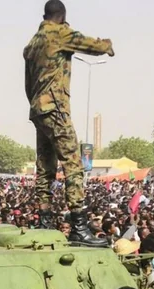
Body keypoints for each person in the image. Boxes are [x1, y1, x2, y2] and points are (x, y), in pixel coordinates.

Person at [23, 0, 113, 246]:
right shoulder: (60, 33)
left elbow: (27, 85)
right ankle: (79, 228)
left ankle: (43, 222)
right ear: (62, 16)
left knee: (45, 168)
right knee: (73, 164)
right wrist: (108, 45)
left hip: (38, 110)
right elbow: (92, 45)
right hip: (56, 109)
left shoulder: (31, 45)